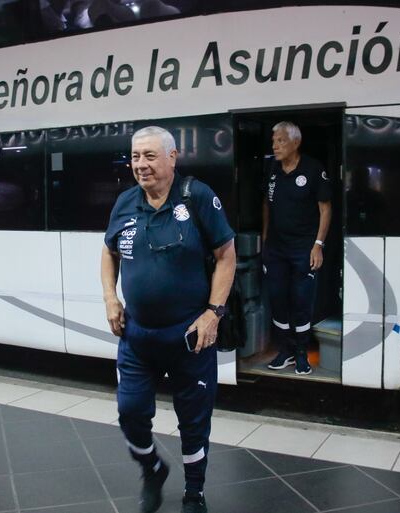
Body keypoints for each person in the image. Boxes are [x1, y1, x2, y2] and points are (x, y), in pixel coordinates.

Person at [102, 126, 236, 513]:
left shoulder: (197, 197)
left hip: (189, 337)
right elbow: (109, 251)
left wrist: (213, 313)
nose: (140, 165)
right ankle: (152, 469)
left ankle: (194, 492)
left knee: (193, 421)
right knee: (130, 412)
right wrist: (111, 297)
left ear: (172, 157)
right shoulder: (125, 202)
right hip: (137, 336)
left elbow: (226, 255)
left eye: (149, 156)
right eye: (135, 157)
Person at [263, 121, 332, 375]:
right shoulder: (271, 168)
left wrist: (318, 245)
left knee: (301, 301)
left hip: (304, 248)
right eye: (273, 141)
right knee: (277, 300)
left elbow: (325, 209)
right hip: (276, 249)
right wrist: (265, 238)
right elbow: (266, 204)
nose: (275, 146)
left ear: (296, 142)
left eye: (280, 140)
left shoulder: (313, 169)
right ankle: (286, 350)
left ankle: (302, 352)